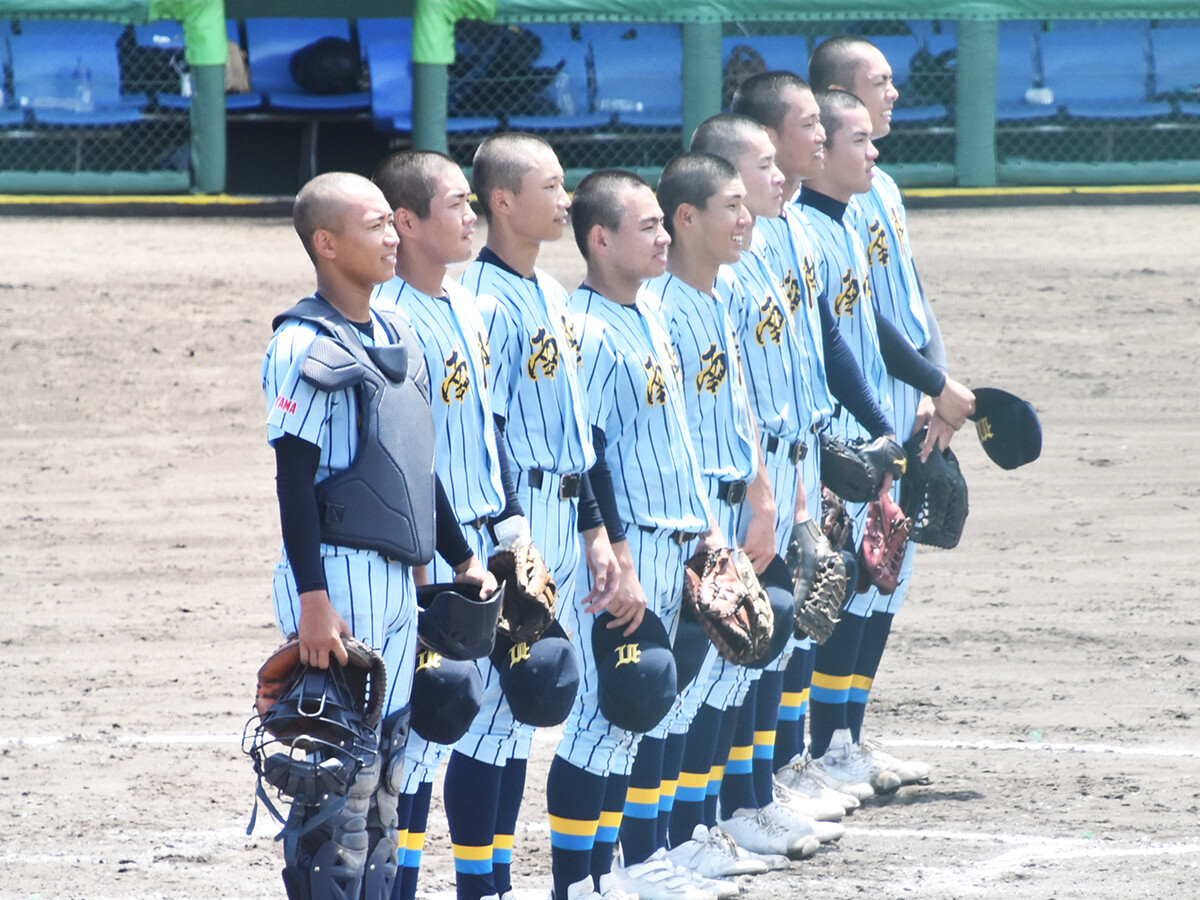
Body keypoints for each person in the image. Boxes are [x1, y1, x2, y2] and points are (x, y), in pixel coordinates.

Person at [261, 171, 495, 900]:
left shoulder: (395, 333)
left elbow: (413, 465)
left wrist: (460, 556)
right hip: (335, 576)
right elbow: (292, 480)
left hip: (396, 579)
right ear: (327, 244)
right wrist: (312, 599)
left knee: (389, 780)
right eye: (374, 226)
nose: (392, 236)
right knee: (336, 785)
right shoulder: (301, 344)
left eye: (392, 225)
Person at [445, 131, 621, 900]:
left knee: (524, 712)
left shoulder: (551, 294)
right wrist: (515, 538)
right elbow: (491, 435)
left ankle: (502, 881)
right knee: (489, 714)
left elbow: (577, 433)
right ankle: (480, 887)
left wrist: (593, 528)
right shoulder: (482, 303)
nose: (566, 199)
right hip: (505, 524)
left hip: (557, 514)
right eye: (550, 187)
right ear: (502, 201)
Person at [549, 168, 724, 900]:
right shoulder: (583, 330)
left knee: (636, 721)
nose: (663, 237)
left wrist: (708, 532)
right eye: (647, 226)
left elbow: (676, 437)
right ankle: (576, 883)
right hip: (629, 545)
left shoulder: (651, 311)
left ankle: (619, 872)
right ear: (600, 239)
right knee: (601, 716)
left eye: (662, 223)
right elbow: (588, 453)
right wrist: (617, 553)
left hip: (676, 535)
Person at [794, 88, 973, 801]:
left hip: (886, 425)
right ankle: (815, 752)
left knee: (874, 585)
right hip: (842, 442)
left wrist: (931, 384)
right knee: (831, 595)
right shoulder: (810, 224)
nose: (897, 96)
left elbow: (890, 313)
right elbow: (841, 344)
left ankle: (841, 742)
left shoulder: (859, 207)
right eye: (859, 129)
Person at [369, 149, 531, 900]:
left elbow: (491, 428)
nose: (473, 217)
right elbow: (409, 454)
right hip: (431, 552)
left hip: (482, 546)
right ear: (407, 222)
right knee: (428, 733)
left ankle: (484, 889)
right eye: (457, 205)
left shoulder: (472, 305)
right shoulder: (393, 321)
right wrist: (451, 552)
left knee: (497, 718)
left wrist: (513, 523)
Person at [686, 115, 852, 846]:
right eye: (762, 167)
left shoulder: (761, 255)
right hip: (733, 490)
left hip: (784, 467)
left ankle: (757, 792)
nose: (781, 176)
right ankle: (720, 814)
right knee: (728, 653)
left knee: (769, 640)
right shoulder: (707, 282)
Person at [730, 71, 892, 809]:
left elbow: (826, 338)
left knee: (802, 616)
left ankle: (786, 771)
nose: (821, 140)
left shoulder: (799, 228)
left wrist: (875, 425)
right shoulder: (733, 254)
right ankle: (742, 798)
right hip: (754, 472)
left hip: (803, 456)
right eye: (807, 129)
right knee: (748, 640)